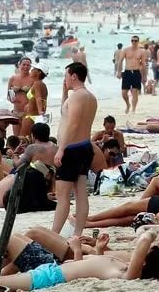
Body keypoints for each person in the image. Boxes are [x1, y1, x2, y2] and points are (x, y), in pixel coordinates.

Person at [0, 231, 159, 290]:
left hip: (49, 276)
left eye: (144, 253)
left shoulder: (128, 275)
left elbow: (144, 242)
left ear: (143, 262)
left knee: (10, 239)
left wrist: (151, 234)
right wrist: (99, 249)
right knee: (17, 239)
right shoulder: (122, 267)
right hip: (52, 270)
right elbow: (85, 268)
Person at [52, 63, 97, 235]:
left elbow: (73, 123)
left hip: (71, 149)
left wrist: (61, 148)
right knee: (80, 192)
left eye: (65, 76)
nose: (64, 80)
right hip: (84, 147)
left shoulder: (78, 97)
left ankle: (54, 233)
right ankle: (77, 233)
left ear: (73, 76)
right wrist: (64, 92)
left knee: (62, 196)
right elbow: (66, 113)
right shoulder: (89, 97)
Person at [119, 35, 147, 114]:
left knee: (135, 92)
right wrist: (119, 71)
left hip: (136, 72)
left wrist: (144, 76)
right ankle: (128, 104)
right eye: (132, 41)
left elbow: (144, 64)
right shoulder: (126, 50)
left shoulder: (141, 52)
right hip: (127, 72)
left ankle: (133, 109)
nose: (134, 42)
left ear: (138, 42)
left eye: (135, 41)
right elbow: (120, 61)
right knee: (124, 92)